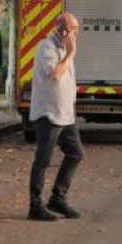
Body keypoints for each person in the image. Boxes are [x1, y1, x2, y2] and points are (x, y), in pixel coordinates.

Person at [27, 13, 85, 222]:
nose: (74, 33)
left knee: (76, 153)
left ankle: (57, 198)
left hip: (66, 115)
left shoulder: (65, 49)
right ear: (59, 28)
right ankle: (35, 206)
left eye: (76, 29)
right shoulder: (47, 47)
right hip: (48, 114)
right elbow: (55, 74)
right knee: (43, 159)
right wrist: (70, 54)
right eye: (72, 28)